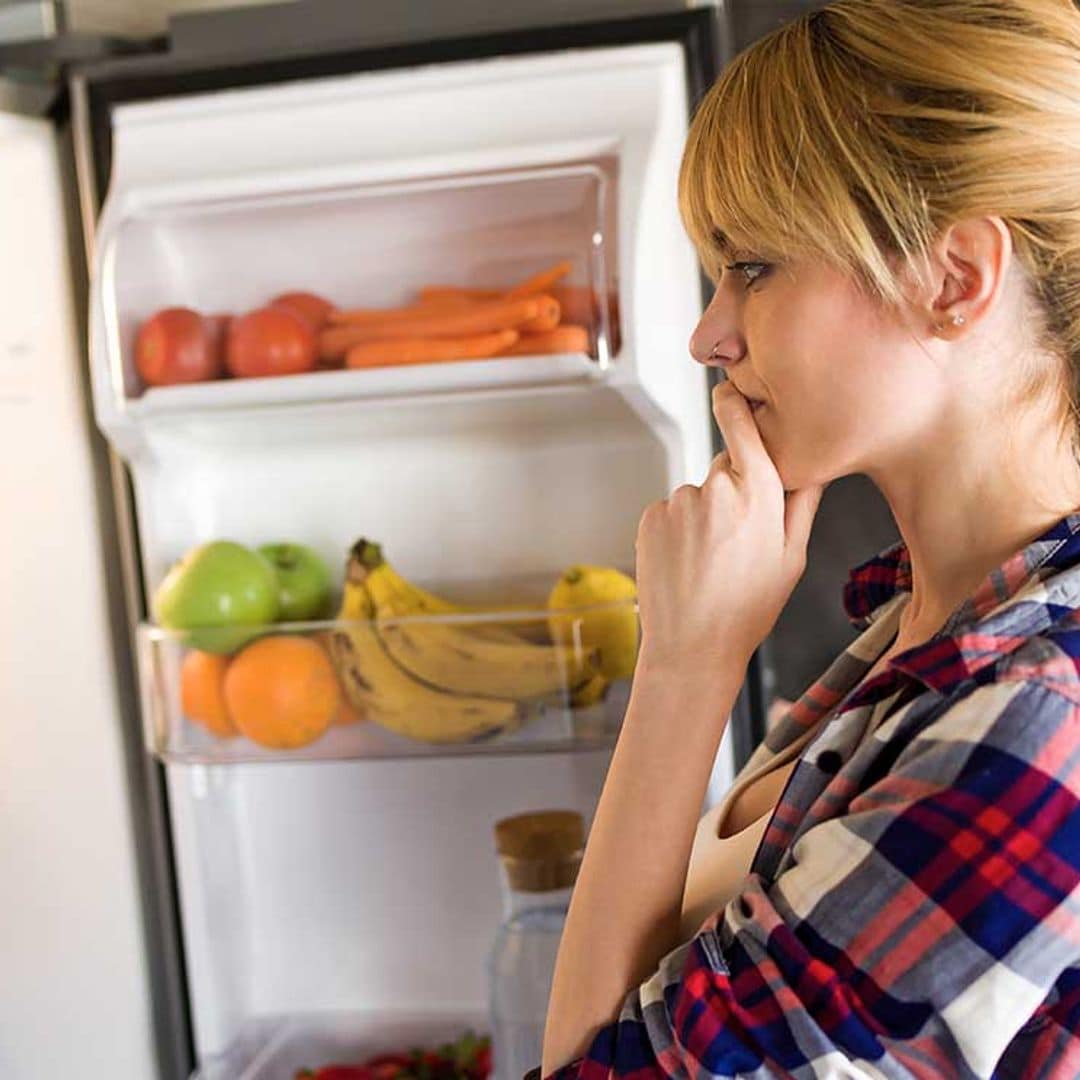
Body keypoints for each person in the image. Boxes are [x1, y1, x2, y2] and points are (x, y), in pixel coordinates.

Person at [533, 1, 1080, 1077]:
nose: (708, 335)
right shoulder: (920, 626)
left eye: (755, 267)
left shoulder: (1037, 724)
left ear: (954, 278)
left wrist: (686, 668)